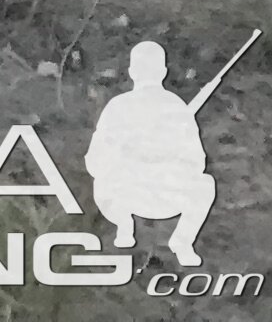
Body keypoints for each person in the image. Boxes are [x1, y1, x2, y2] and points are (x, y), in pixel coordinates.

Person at [84, 42, 216, 266]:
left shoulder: (173, 108)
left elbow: (195, 161)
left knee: (204, 184)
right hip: (130, 192)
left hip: (162, 192)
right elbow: (97, 160)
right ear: (163, 72)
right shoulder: (126, 107)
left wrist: (163, 158)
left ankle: (181, 242)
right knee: (204, 185)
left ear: (132, 72)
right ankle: (125, 226)